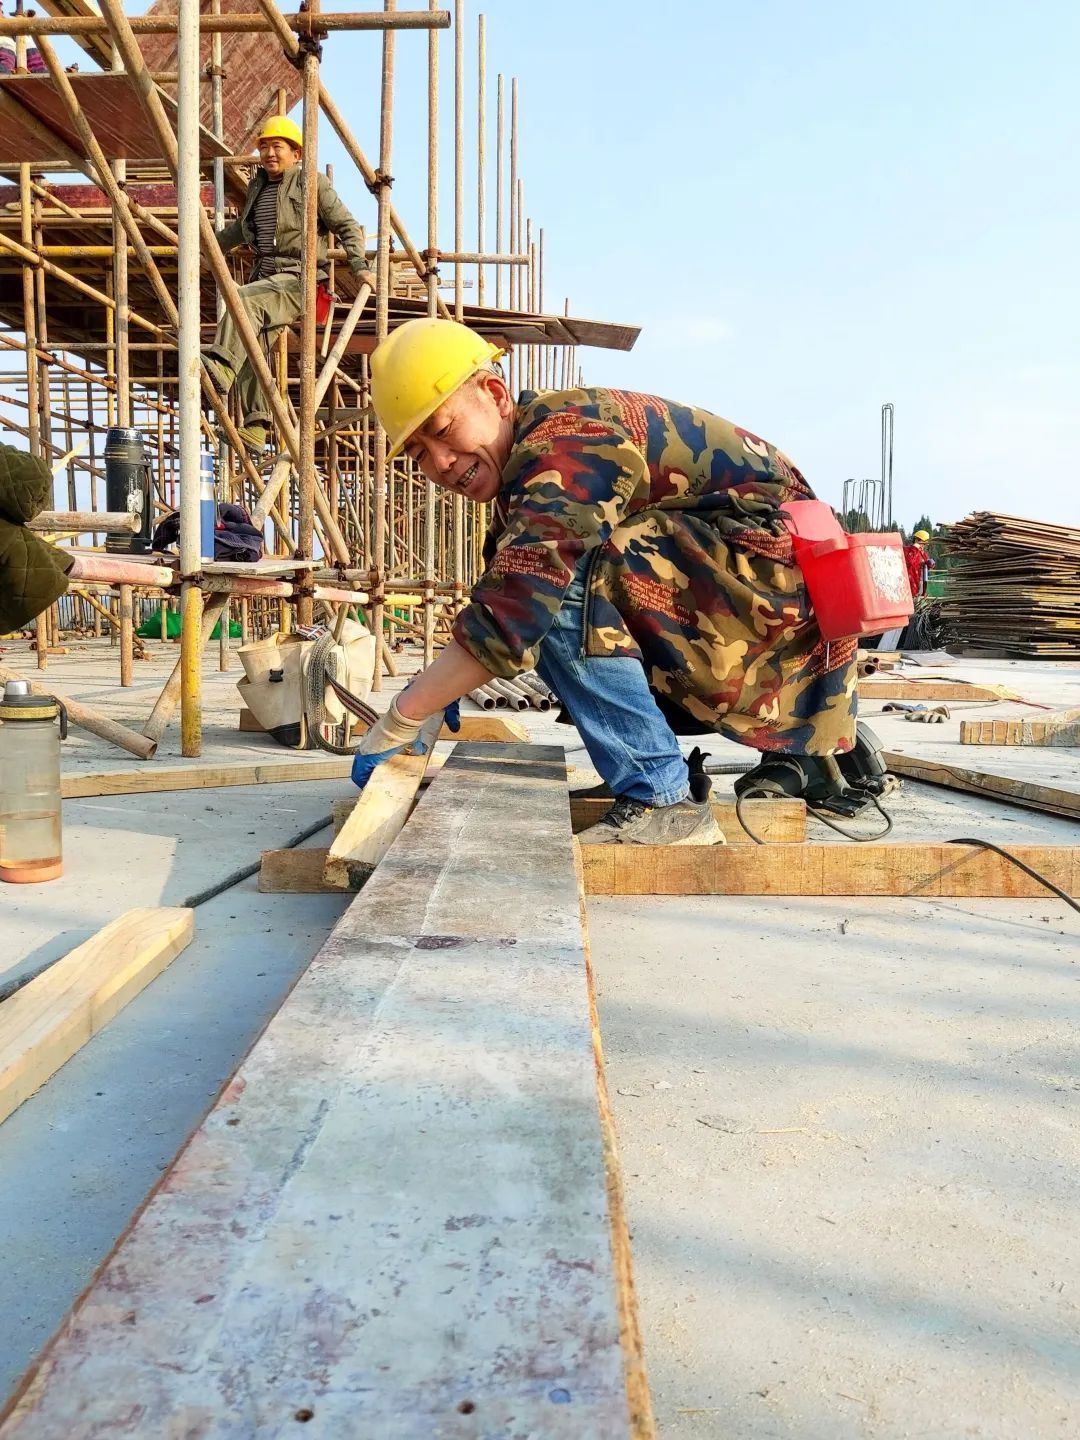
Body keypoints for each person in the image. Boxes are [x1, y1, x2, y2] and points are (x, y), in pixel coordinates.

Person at [351, 318, 858, 846]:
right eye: (418, 454)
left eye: (443, 430)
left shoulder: (564, 442)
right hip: (757, 589)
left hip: (787, 590)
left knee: (562, 578)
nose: (441, 463)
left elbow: (525, 597)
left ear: (495, 394)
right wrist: (448, 675)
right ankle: (662, 770)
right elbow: (503, 594)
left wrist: (406, 713)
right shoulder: (529, 463)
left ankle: (662, 798)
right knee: (540, 579)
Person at [201, 115, 371, 453]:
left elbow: (348, 225)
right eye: (264, 147)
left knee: (242, 301)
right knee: (253, 344)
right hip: (266, 277)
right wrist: (204, 245)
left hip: (299, 279)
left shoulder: (312, 183)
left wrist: (360, 265)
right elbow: (241, 231)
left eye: (277, 146)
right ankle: (257, 425)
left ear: (296, 152)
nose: (269, 153)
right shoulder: (258, 186)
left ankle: (221, 365)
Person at [903, 529, 935, 598]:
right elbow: (909, 562)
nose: (923, 546)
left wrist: (930, 564)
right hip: (911, 584)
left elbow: (928, 565)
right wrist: (915, 548)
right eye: (922, 543)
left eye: (924, 544)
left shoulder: (922, 553)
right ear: (917, 540)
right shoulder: (908, 550)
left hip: (921, 584)